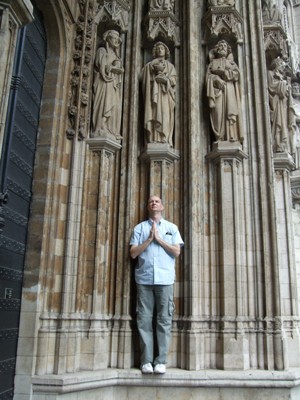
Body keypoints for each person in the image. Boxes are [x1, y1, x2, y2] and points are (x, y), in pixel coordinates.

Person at [129, 195, 184, 374]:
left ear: (162, 206)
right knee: (144, 320)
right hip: (144, 279)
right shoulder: (140, 228)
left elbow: (177, 251)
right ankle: (146, 361)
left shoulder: (171, 228)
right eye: (150, 201)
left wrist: (159, 240)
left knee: (164, 320)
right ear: (147, 207)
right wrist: (149, 240)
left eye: (157, 201)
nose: (154, 203)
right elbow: (133, 253)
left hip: (165, 280)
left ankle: (161, 361)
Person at [206, 40, 243, 143]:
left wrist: (225, 73)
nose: (222, 47)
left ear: (228, 51)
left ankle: (230, 136)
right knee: (218, 114)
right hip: (217, 92)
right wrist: (216, 79)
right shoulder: (212, 63)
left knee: (229, 114)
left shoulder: (231, 63)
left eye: (225, 46)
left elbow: (237, 75)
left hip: (229, 90)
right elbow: (208, 77)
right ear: (216, 49)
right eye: (220, 45)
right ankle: (219, 137)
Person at [141, 42, 176, 146]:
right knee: (154, 113)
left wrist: (166, 80)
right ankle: (153, 138)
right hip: (153, 96)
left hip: (165, 95)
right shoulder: (149, 66)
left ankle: (164, 137)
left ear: (166, 51)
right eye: (158, 48)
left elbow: (174, 80)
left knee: (164, 114)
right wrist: (152, 70)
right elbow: (142, 78)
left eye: (162, 48)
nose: (160, 50)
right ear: (154, 52)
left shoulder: (170, 66)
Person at [92, 30, 124, 139]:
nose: (116, 41)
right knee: (104, 103)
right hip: (104, 82)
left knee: (113, 104)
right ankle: (100, 127)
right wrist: (112, 67)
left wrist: (115, 67)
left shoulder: (115, 55)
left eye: (117, 39)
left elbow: (120, 70)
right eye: (114, 38)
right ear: (108, 39)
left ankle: (110, 128)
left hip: (112, 83)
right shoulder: (102, 51)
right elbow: (102, 67)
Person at [267, 56, 296, 154]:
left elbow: (284, 93)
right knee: (277, 124)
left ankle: (281, 145)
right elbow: (271, 87)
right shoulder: (270, 73)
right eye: (281, 65)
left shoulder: (281, 77)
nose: (282, 68)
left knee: (283, 124)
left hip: (281, 104)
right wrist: (283, 84)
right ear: (276, 64)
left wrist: (287, 87)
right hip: (275, 103)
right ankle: (277, 144)